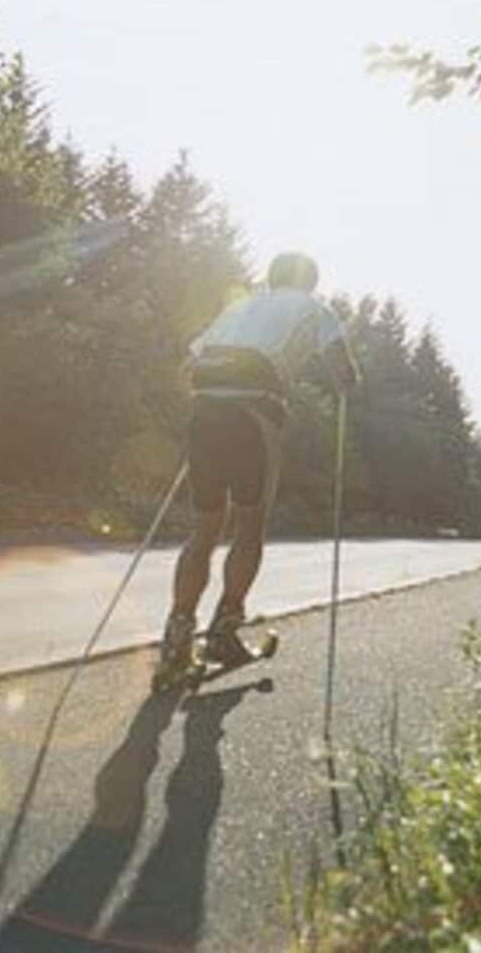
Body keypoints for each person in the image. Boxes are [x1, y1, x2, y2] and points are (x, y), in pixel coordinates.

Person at [152, 251, 360, 690]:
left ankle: (176, 639)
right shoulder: (315, 308)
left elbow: (188, 367)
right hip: (253, 418)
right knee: (250, 524)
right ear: (309, 281)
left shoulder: (241, 306)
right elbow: (344, 372)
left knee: (204, 528)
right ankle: (224, 632)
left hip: (205, 415)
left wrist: (211, 405)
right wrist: (346, 383)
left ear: (270, 277)